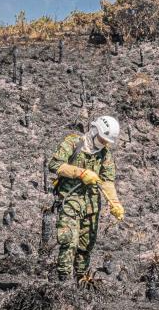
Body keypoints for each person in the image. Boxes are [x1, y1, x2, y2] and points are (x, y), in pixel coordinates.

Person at [47, 115, 125, 281]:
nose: (104, 143)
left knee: (86, 245)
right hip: (70, 200)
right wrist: (81, 173)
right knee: (69, 242)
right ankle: (64, 281)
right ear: (95, 130)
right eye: (103, 139)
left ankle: (81, 281)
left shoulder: (105, 155)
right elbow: (55, 165)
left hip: (92, 204)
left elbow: (108, 182)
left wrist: (115, 203)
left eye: (107, 141)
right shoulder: (73, 143)